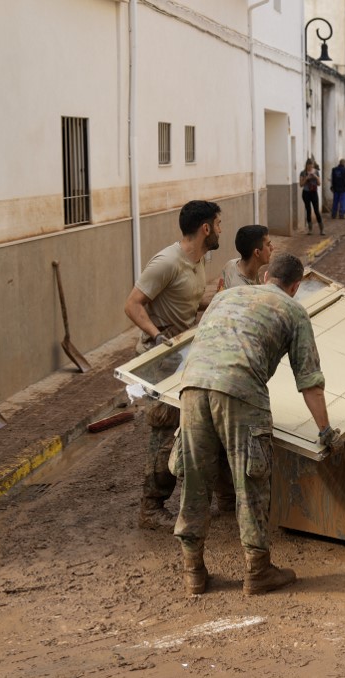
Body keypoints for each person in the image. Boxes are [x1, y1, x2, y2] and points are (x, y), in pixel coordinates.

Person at [174, 252, 343, 596]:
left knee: (194, 479)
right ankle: (258, 571)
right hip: (240, 392)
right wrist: (325, 431)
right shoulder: (294, 310)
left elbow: (202, 345)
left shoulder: (224, 296)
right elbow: (309, 379)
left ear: (266, 277)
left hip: (192, 387)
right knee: (250, 481)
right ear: (295, 287)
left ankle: (193, 572)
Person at [124, 199, 222, 530]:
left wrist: (219, 302)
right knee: (165, 430)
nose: (221, 230)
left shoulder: (198, 260)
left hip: (182, 358)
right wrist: (156, 335)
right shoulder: (167, 262)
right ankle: (150, 508)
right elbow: (133, 305)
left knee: (192, 426)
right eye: (218, 224)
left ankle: (191, 499)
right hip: (159, 362)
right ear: (206, 228)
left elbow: (186, 302)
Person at [219, 224, 273, 291]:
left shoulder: (231, 264)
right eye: (268, 244)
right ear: (257, 252)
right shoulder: (242, 291)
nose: (272, 248)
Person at [300, 160, 323, 235]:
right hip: (306, 193)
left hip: (314, 193)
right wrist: (306, 178)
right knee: (308, 210)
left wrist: (315, 177)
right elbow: (301, 184)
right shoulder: (303, 173)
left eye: (311, 166)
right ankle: (310, 229)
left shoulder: (316, 172)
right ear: (306, 165)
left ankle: (321, 229)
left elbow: (319, 183)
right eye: (309, 166)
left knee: (316, 210)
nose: (310, 167)